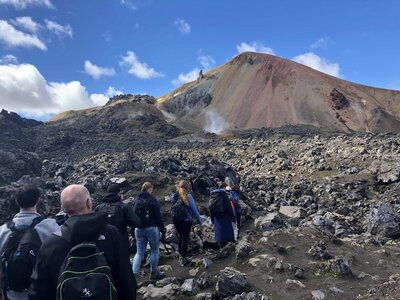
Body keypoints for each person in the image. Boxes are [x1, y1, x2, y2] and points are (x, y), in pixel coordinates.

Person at [28, 184, 137, 300]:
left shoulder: (50, 244)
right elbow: (126, 279)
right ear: (89, 203)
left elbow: (39, 290)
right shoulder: (111, 234)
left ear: (62, 208)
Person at [0, 184, 59, 300]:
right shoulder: (49, 227)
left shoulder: (3, 231)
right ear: (38, 201)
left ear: (17, 202)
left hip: (11, 294)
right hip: (41, 294)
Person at [131, 182, 166, 280]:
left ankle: (134, 274)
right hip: (151, 228)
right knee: (154, 251)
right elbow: (158, 215)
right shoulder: (152, 199)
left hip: (138, 229)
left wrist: (133, 229)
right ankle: (154, 272)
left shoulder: (136, 199)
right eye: (152, 188)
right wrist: (162, 228)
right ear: (149, 188)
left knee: (139, 252)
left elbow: (132, 215)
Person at [95, 183, 140, 254]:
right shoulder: (123, 207)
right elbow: (136, 222)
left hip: (103, 244)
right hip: (120, 243)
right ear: (119, 194)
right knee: (122, 263)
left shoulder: (99, 208)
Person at [171, 180, 202, 266]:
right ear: (187, 187)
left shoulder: (175, 196)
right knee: (185, 238)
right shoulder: (188, 196)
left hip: (176, 220)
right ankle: (184, 258)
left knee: (181, 237)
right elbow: (194, 210)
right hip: (186, 220)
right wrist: (200, 221)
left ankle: (180, 255)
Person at [210, 183, 236, 248]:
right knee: (228, 236)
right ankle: (229, 251)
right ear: (224, 188)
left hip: (217, 219)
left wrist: (212, 220)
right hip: (225, 218)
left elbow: (211, 208)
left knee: (219, 236)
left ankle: (220, 248)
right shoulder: (224, 195)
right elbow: (229, 208)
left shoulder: (213, 195)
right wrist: (233, 218)